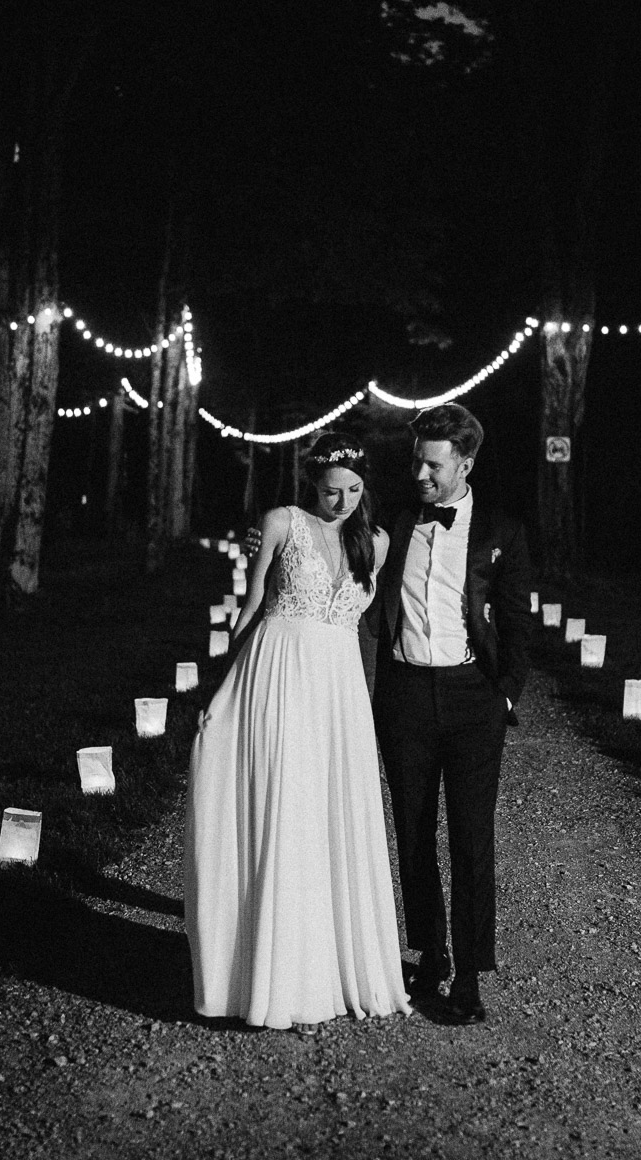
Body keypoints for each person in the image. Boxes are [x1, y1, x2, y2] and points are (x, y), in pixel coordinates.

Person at [184, 433, 412, 1030]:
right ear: (313, 483)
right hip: (279, 672)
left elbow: (371, 624)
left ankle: (332, 963)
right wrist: (222, 683)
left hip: (338, 689)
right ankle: (275, 972)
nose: (342, 502)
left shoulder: (377, 541)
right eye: (332, 491)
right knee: (286, 809)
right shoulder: (282, 522)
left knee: (331, 813)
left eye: (354, 490)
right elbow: (253, 603)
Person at [369, 403, 532, 1024]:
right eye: (416, 461)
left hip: (472, 698)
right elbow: (327, 534)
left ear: (465, 464)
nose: (420, 475)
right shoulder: (393, 520)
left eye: (433, 465)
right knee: (412, 832)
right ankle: (430, 953)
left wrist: (505, 694)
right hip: (405, 695)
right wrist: (266, 538)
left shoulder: (501, 530)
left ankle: (468, 972)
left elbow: (516, 621)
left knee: (470, 837)